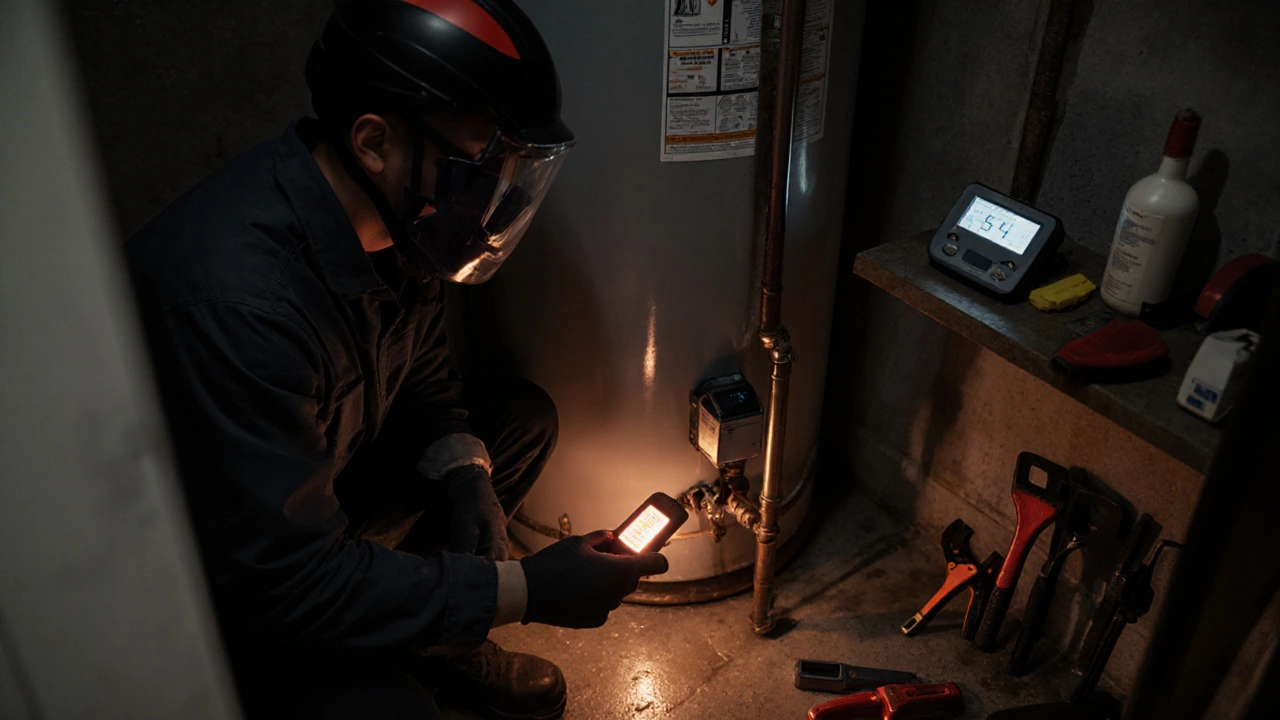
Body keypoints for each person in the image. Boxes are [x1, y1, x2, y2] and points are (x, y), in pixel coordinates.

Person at [124, 1, 668, 718]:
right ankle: (393, 656)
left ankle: (423, 641)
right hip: (227, 592)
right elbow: (286, 582)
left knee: (516, 424)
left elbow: (424, 370)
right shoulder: (241, 307)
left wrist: (464, 472)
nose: (493, 206)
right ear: (376, 140)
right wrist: (523, 593)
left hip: (314, 498)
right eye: (480, 170)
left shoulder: (396, 218)